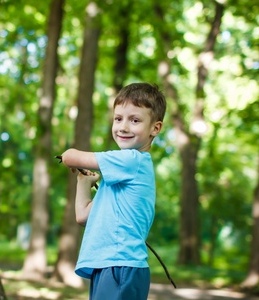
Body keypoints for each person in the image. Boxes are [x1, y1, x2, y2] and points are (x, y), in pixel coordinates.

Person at [60, 82, 166, 300]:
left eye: (134, 120)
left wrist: (68, 156)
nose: (123, 127)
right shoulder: (120, 175)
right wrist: (83, 181)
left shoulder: (132, 160)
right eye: (118, 119)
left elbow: (70, 156)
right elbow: (83, 216)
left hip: (121, 266)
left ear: (155, 128)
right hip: (110, 265)